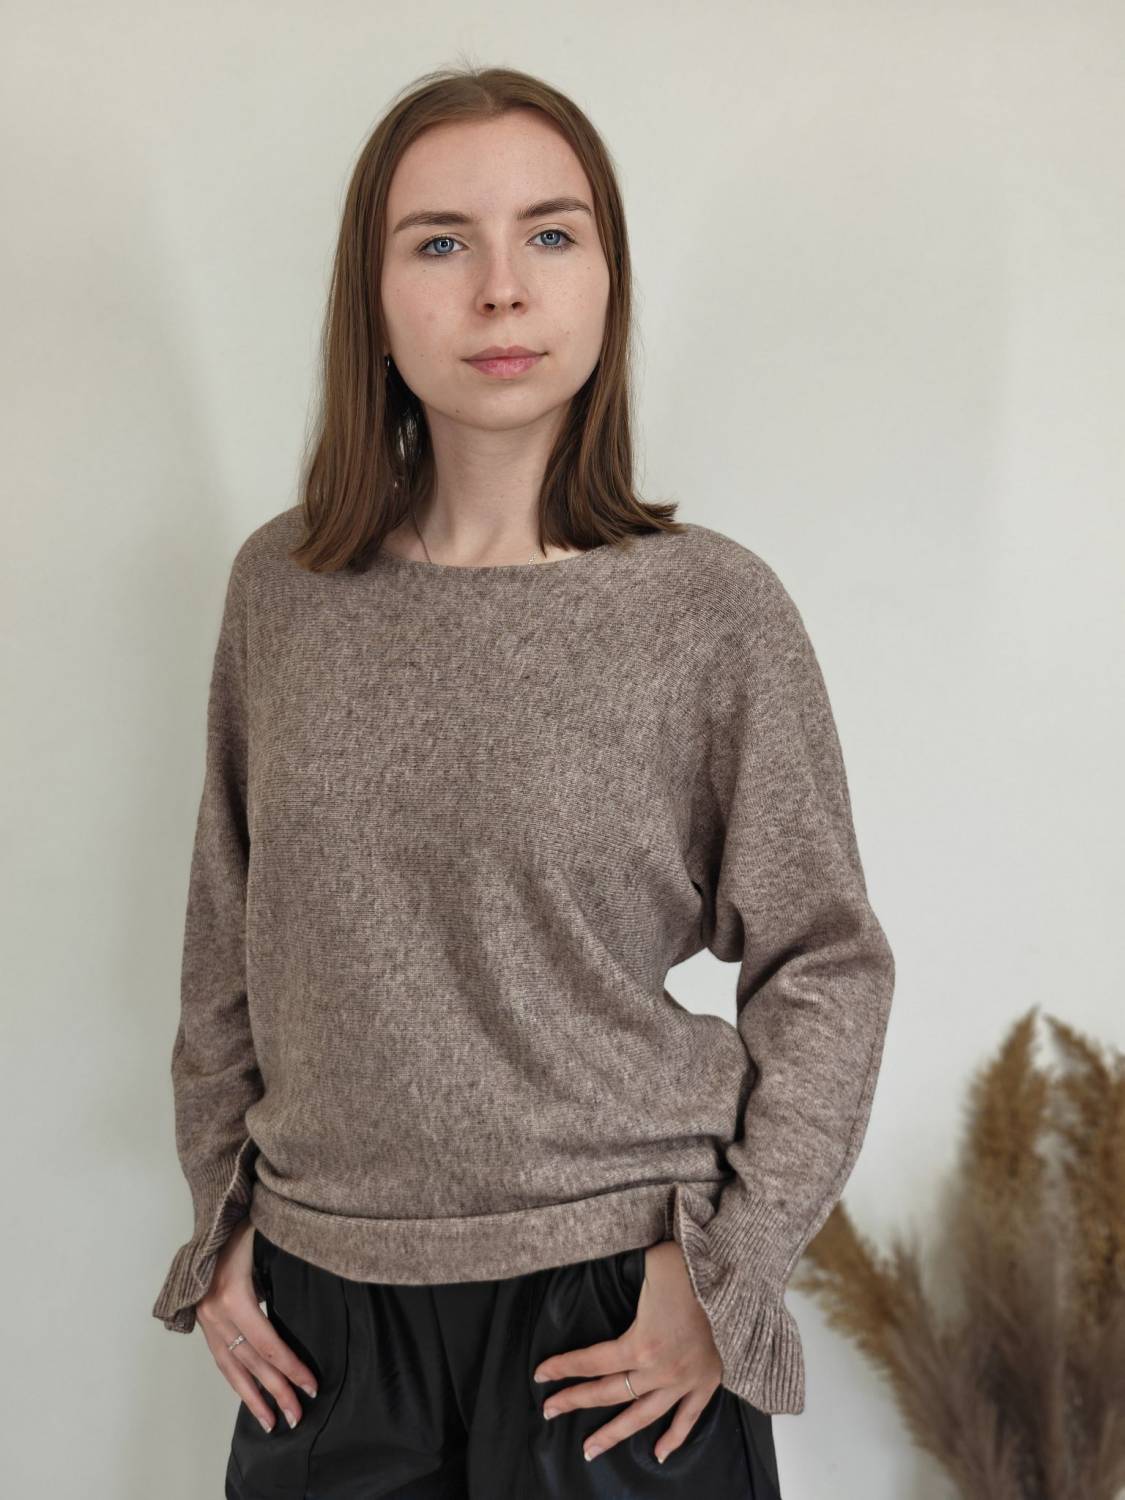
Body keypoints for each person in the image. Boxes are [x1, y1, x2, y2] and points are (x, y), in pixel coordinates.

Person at [151, 63, 895, 1500]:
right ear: (371, 298)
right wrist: (220, 1221)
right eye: (441, 241)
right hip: (322, 1318)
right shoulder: (283, 592)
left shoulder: (710, 612)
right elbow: (226, 933)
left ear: (607, 279)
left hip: (612, 1315)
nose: (502, 288)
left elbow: (826, 962)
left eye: (551, 234)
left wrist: (729, 1270)